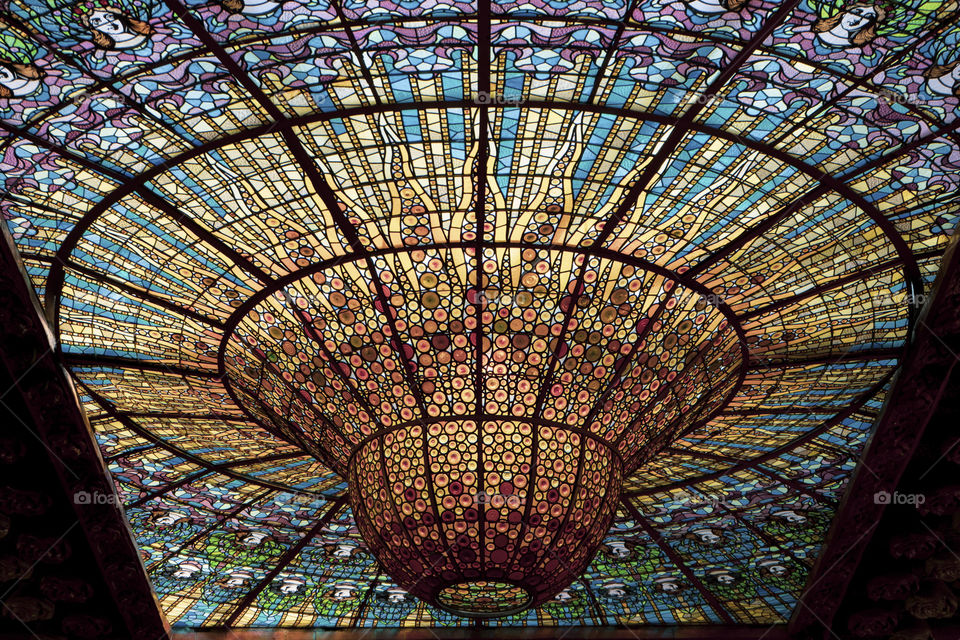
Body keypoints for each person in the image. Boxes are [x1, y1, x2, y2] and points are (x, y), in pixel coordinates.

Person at [813, 3, 885, 48]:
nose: (857, 18)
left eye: (868, 17)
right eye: (856, 12)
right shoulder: (818, 32)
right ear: (844, 14)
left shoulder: (854, 40)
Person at [80, 7, 154, 50]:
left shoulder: (151, 35)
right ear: (94, 29)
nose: (109, 23)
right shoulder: (102, 53)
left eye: (110, 16)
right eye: (97, 21)